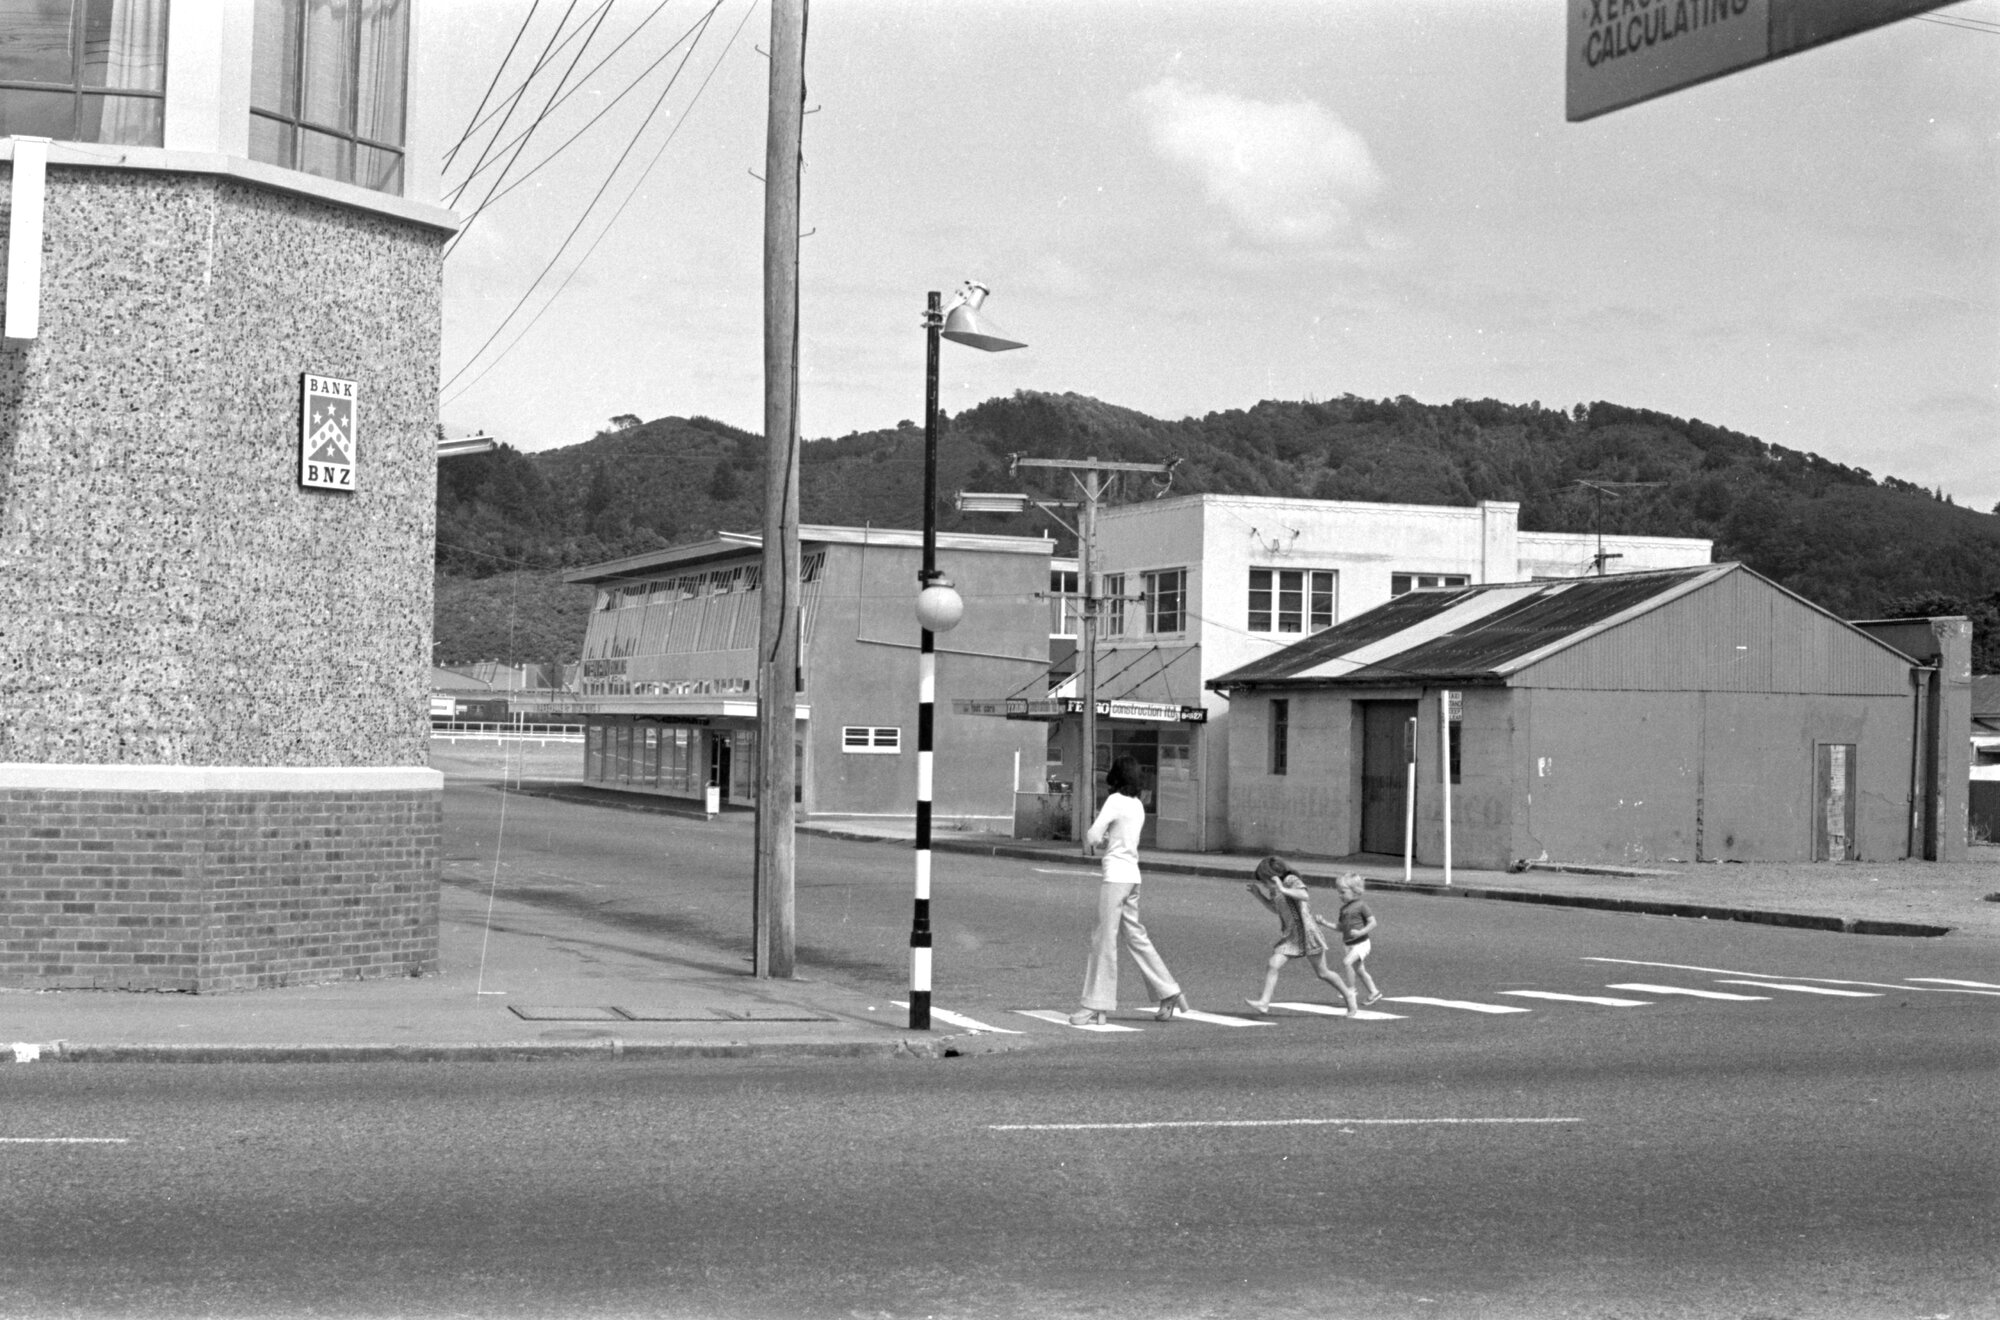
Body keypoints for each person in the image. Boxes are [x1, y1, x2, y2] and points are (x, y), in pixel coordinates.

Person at [1070, 755, 1191, 1025]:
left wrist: (1099, 838)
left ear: (1115, 776)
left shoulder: (1114, 801)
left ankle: (1095, 1005)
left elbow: (1092, 836)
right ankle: (1168, 990)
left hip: (1115, 877)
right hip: (1133, 877)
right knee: (1136, 937)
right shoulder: (1137, 804)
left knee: (1104, 940)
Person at [1243, 856, 1358, 1015]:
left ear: (1273, 875)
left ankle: (1348, 995)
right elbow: (1276, 908)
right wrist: (1258, 895)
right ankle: (1264, 1003)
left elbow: (1304, 895)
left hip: (1307, 932)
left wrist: (1283, 889)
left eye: (1264, 880)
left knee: (1323, 972)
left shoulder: (1290, 880)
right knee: (1273, 964)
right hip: (1292, 935)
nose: (1263, 884)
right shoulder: (1273, 889)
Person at [1335, 874, 1383, 1005]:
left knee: (1347, 962)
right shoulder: (1343, 909)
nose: (1340, 895)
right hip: (1349, 944)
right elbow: (1340, 928)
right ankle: (1374, 992)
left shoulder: (1361, 905)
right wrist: (1324, 923)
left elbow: (1373, 923)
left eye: (1343, 892)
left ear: (1355, 891)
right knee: (1360, 971)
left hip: (1362, 943)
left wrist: (1360, 932)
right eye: (1339, 892)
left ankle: (1350, 989)